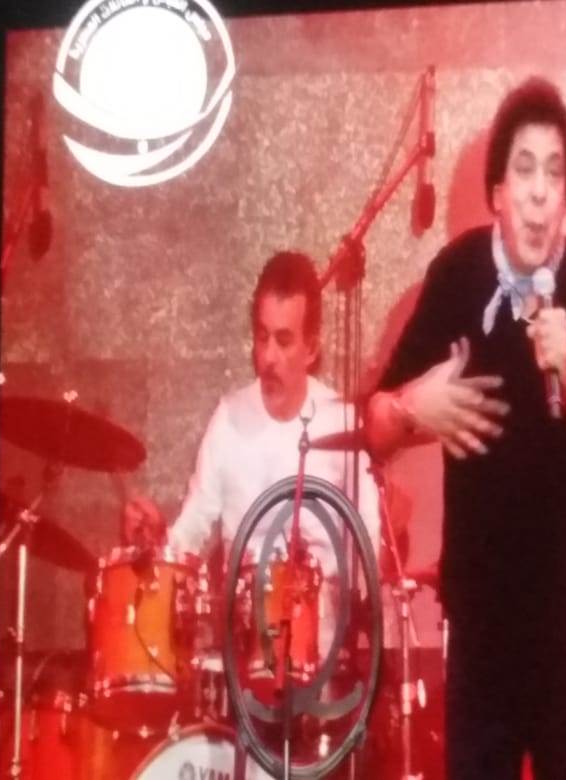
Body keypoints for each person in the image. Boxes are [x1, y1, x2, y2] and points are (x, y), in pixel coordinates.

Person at [364, 77, 566, 780]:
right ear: (495, 192)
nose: (540, 192)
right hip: (483, 627)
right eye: (524, 170)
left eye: (555, 174)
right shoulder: (457, 278)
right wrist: (411, 409)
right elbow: (375, 428)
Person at [123, 250, 379, 647]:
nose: (269, 357)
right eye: (262, 338)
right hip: (244, 651)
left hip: (325, 651)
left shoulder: (343, 423)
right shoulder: (228, 418)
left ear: (312, 348)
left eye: (284, 340)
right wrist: (156, 540)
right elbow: (191, 533)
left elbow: (370, 546)